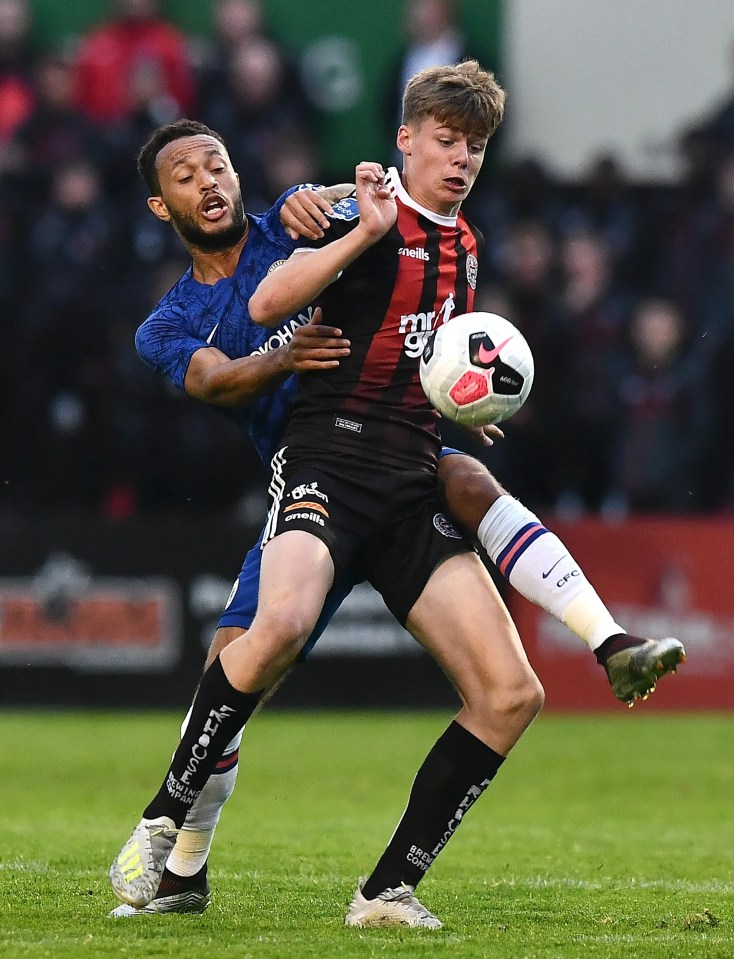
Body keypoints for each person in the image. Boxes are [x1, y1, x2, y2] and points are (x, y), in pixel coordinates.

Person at [109, 67, 684, 928]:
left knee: (475, 541)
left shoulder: (306, 214)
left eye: (218, 165)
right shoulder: (174, 317)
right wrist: (286, 347)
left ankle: (387, 885)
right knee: (245, 652)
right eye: (187, 177)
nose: (210, 182)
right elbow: (221, 373)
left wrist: (459, 394)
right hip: (312, 467)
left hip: (403, 461)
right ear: (162, 206)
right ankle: (176, 848)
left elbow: (380, 233)